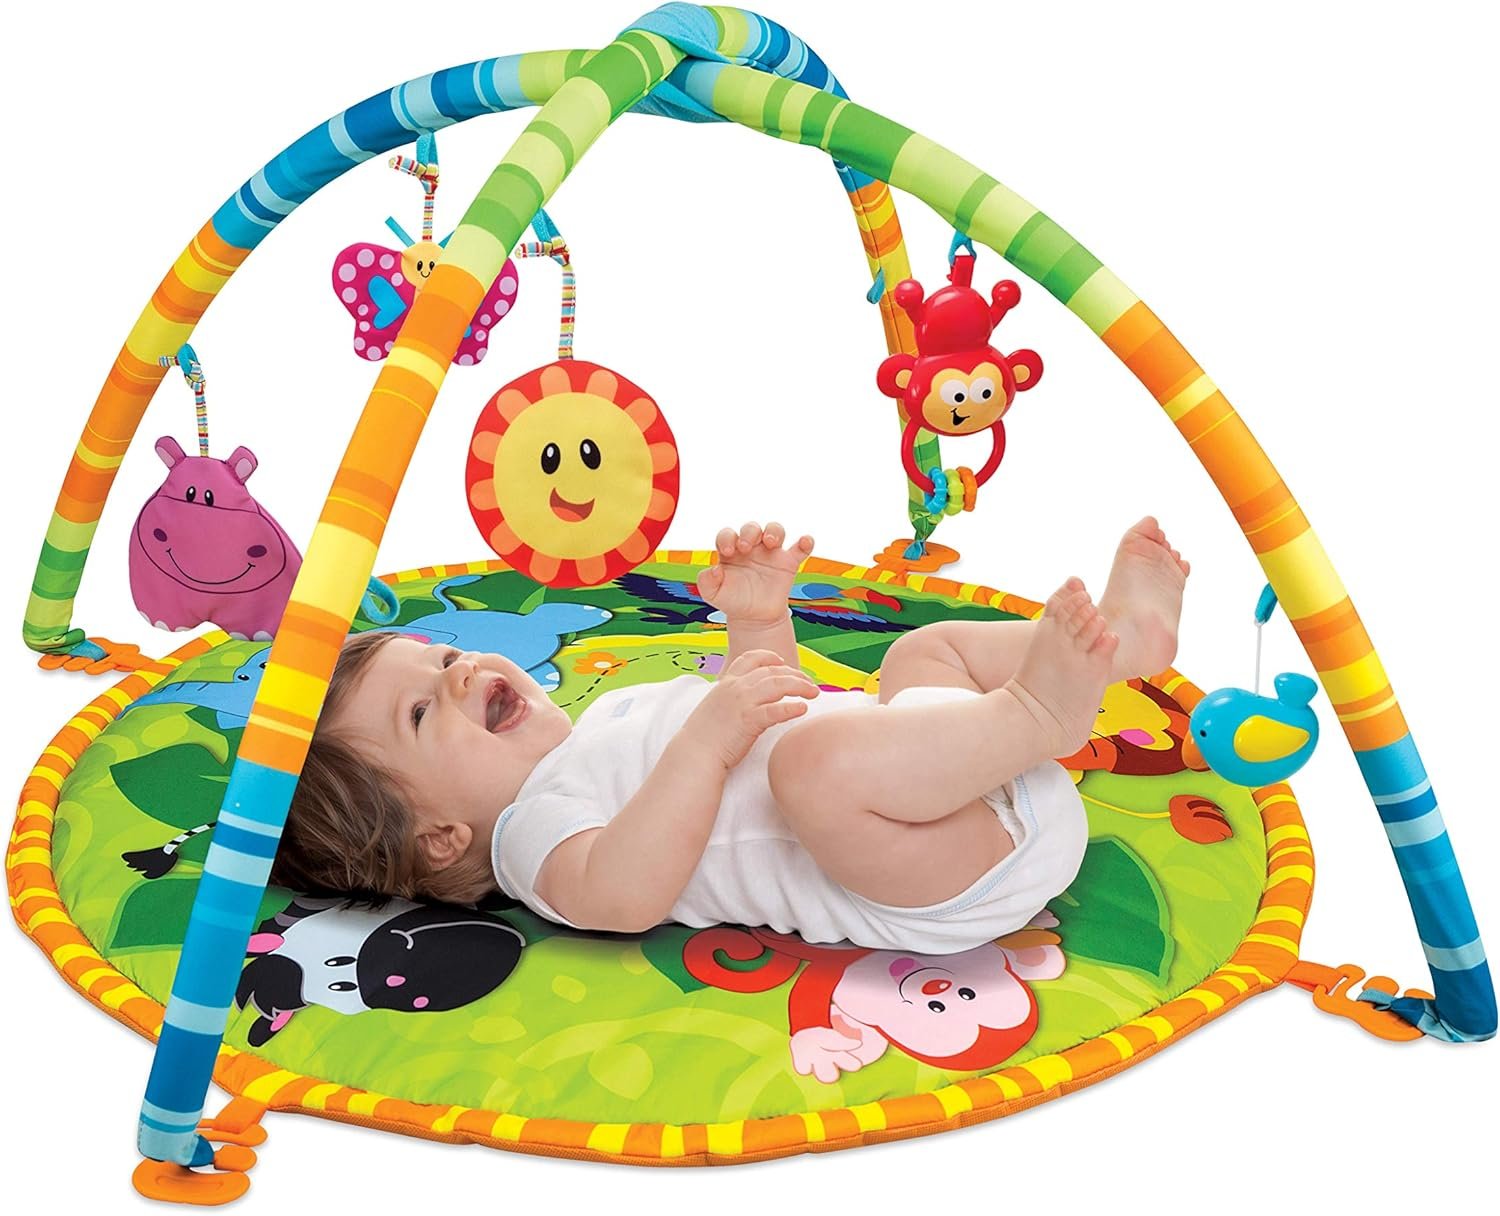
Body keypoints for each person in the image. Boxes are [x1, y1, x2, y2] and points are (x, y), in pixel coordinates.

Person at [272, 518, 1189, 953]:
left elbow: (774, 710)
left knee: (919, 652)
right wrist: (705, 743)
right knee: (814, 768)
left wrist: (757, 626)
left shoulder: (605, 722)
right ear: (441, 837)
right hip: (943, 871)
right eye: (422, 712)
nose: (461, 671)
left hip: (949, 771)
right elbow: (623, 893)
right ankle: (1040, 714)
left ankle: (1118, 646)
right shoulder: (527, 838)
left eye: (442, 656)